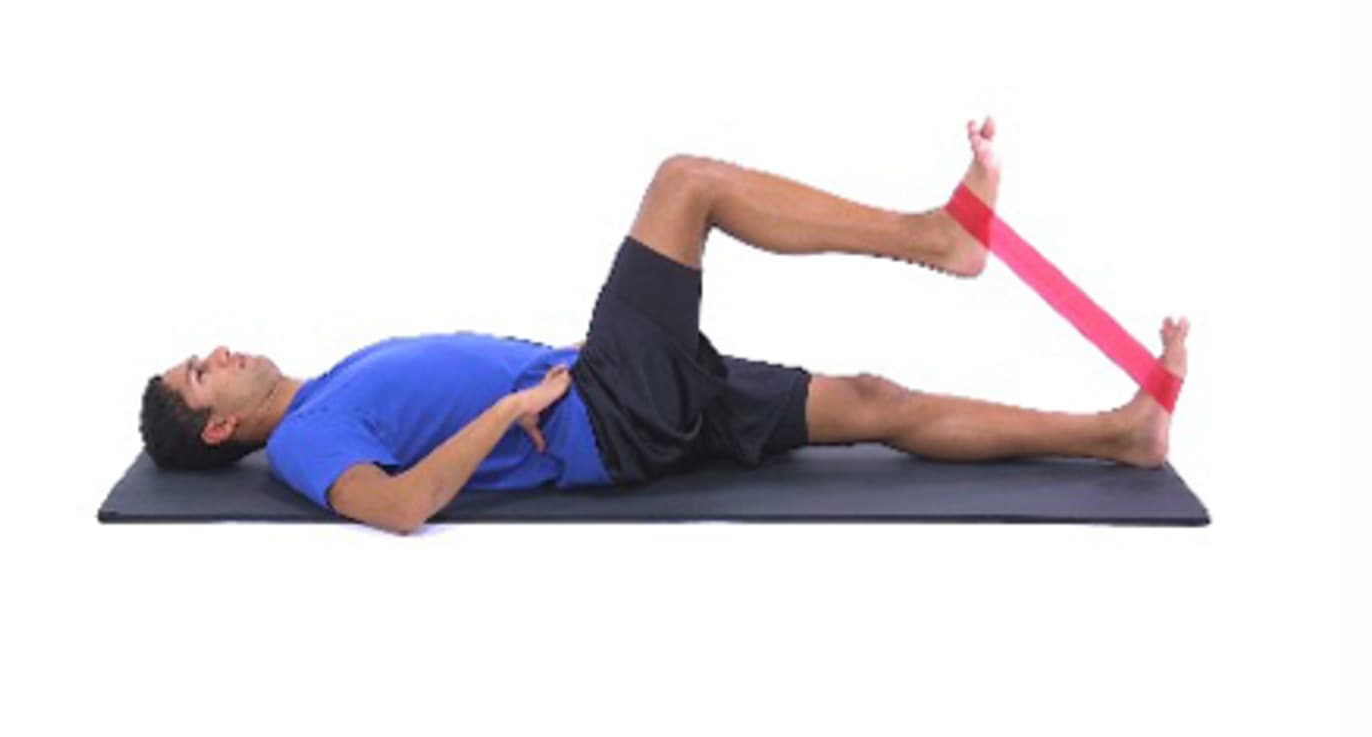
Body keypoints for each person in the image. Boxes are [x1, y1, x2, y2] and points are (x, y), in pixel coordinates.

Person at [139, 117, 1190, 536]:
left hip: (621, 401)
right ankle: (933, 237)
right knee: (684, 184)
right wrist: (511, 406)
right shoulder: (310, 449)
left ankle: (1121, 431)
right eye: (202, 375)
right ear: (222, 429)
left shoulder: (323, 391)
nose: (218, 353)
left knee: (878, 401)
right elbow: (404, 506)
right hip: (605, 407)